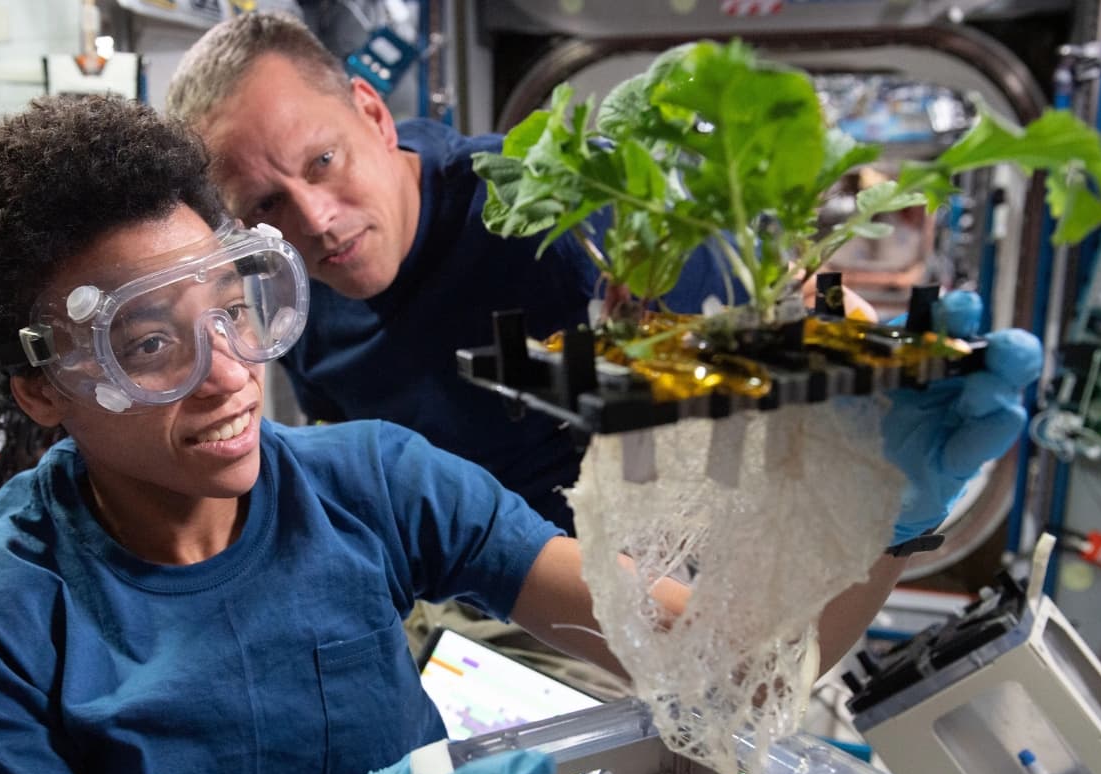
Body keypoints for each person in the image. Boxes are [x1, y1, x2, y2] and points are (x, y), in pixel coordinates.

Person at [0, 92, 1036, 774]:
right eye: (152, 343)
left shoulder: (373, 484)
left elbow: (720, 675)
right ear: (42, 389)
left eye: (237, 308)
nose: (230, 371)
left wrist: (878, 519)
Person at [167, 13, 740, 534]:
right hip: (450, 592)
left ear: (373, 114)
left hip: (635, 569)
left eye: (323, 161)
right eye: (267, 205)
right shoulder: (283, 296)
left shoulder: (554, 216)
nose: (316, 221)